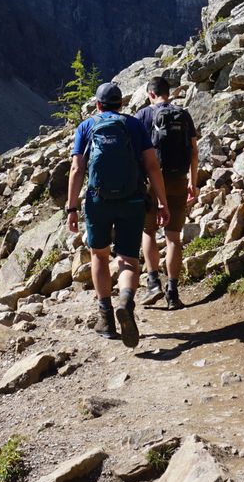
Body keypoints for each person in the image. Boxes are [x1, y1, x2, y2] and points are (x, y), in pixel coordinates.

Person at [66, 81, 169, 347]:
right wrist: (162, 202)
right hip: (132, 199)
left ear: (98, 105)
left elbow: (77, 169)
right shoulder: (133, 125)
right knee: (127, 258)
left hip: (98, 200)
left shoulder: (87, 127)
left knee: (99, 254)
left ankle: (106, 318)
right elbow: (152, 165)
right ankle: (126, 300)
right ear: (121, 104)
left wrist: (72, 207)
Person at [134, 76, 198, 310]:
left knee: (148, 231)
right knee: (173, 237)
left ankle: (153, 284)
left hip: (152, 182)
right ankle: (173, 292)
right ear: (167, 93)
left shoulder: (143, 116)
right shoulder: (183, 114)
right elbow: (193, 152)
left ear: (150, 94)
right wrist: (193, 182)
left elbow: (136, 153)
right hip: (178, 180)